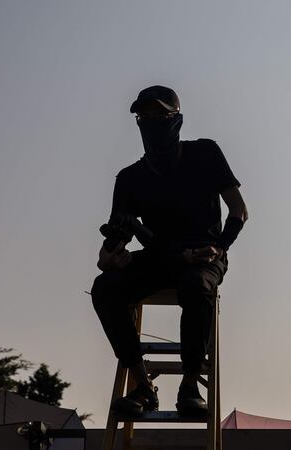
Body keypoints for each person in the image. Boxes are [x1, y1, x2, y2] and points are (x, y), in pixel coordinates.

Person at [91, 85, 247, 416]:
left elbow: (238, 211)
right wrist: (110, 258)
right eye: (143, 117)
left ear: (176, 120)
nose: (150, 123)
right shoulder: (130, 178)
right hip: (160, 258)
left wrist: (219, 249)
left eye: (159, 116)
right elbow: (113, 244)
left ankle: (190, 385)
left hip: (203, 256)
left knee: (195, 285)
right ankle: (142, 386)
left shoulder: (205, 154)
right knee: (105, 288)